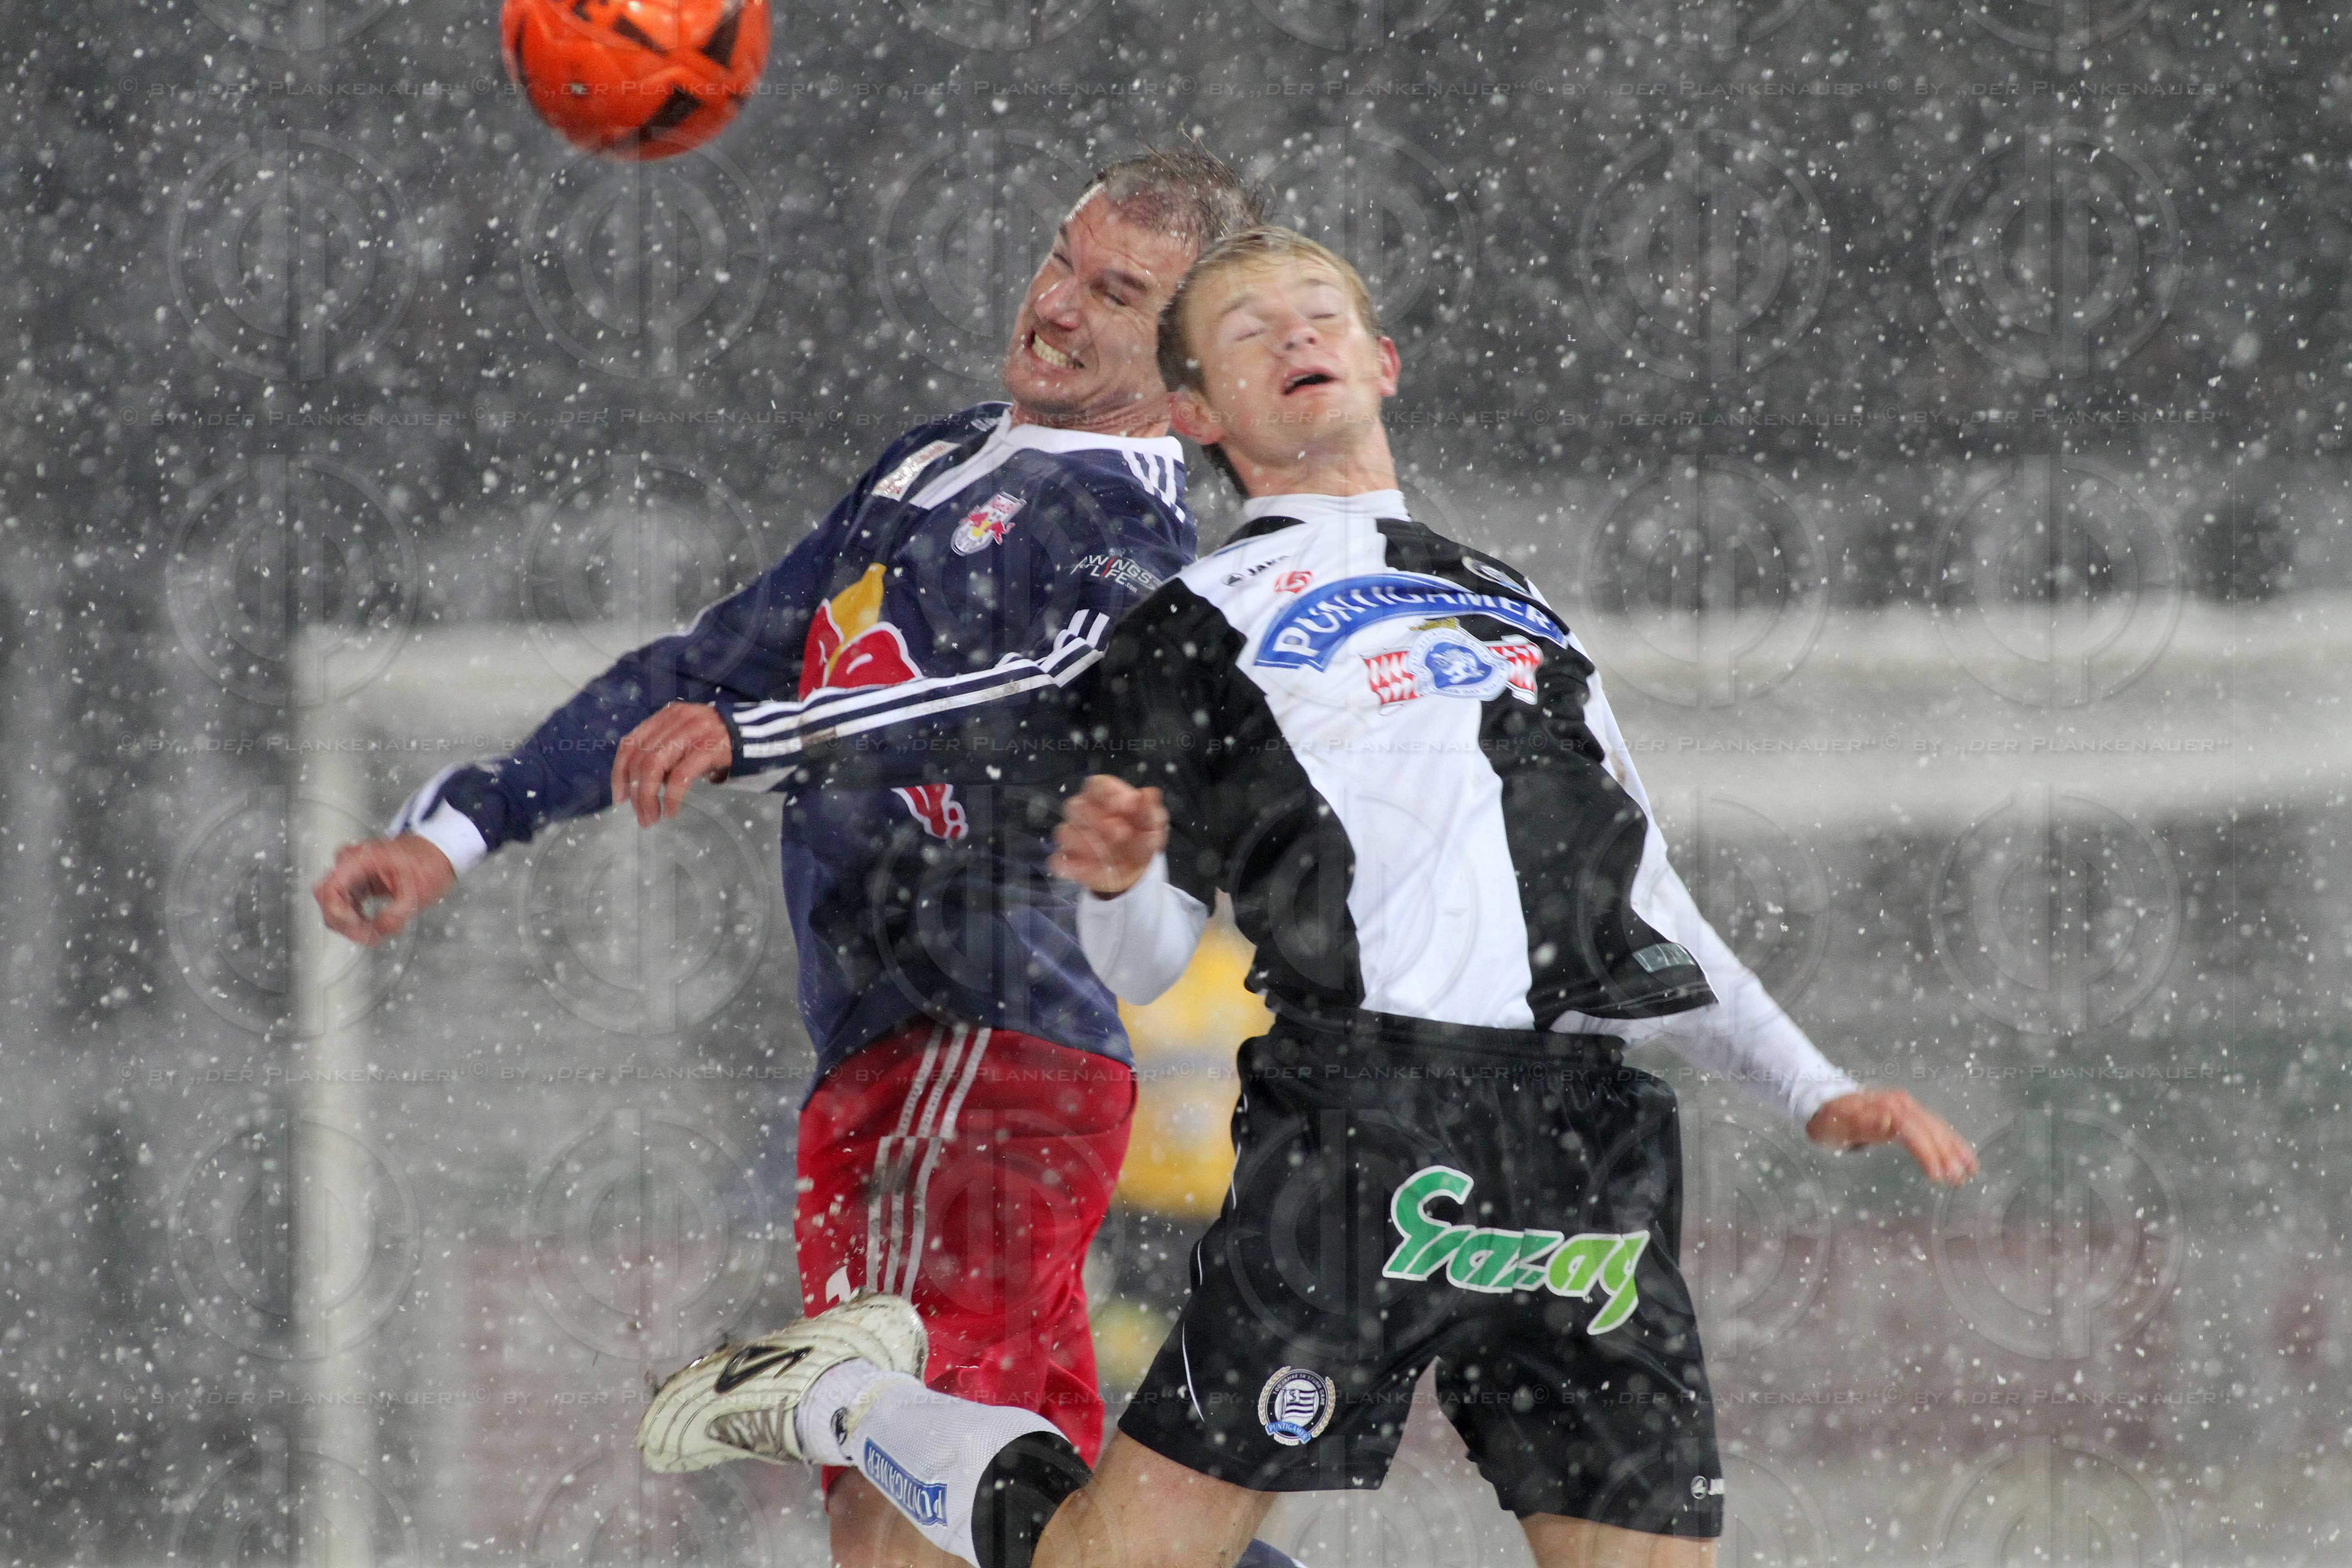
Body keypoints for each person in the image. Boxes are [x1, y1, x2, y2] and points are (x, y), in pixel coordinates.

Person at [648, 227, 1980, 1568]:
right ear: (1197, 415)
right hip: (1362, 1130)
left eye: (1320, 315)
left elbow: (1645, 895)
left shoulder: (1523, 608)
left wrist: (1812, 1087)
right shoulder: (1186, 621)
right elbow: (1153, 957)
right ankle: (847, 1401)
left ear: (1382, 360)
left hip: (1587, 1145)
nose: (1295, 339)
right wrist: (1114, 879)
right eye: (1247, 333)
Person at [310, 147, 1289, 1568]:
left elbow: (1031, 693)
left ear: (1189, 379)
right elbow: (704, 663)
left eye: (1117, 293)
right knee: (1064, 1529)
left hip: (979, 1049)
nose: (1058, 302)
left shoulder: (1128, 528)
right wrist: (468, 821)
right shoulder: (935, 459)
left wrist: (767, 730)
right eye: (1062, 257)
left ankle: (836, 1396)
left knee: (898, 1527)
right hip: (895, 1063)